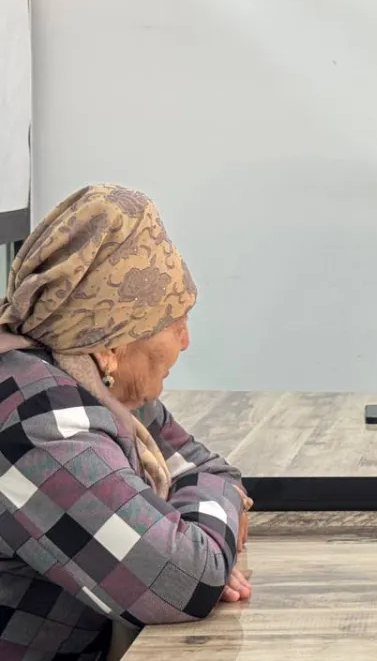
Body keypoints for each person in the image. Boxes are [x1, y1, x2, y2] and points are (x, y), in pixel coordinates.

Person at [0, 185, 252, 661]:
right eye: (174, 322)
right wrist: (197, 542)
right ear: (112, 341)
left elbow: (213, 471)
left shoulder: (97, 384)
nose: (185, 341)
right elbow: (188, 580)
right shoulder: (39, 422)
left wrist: (189, 537)